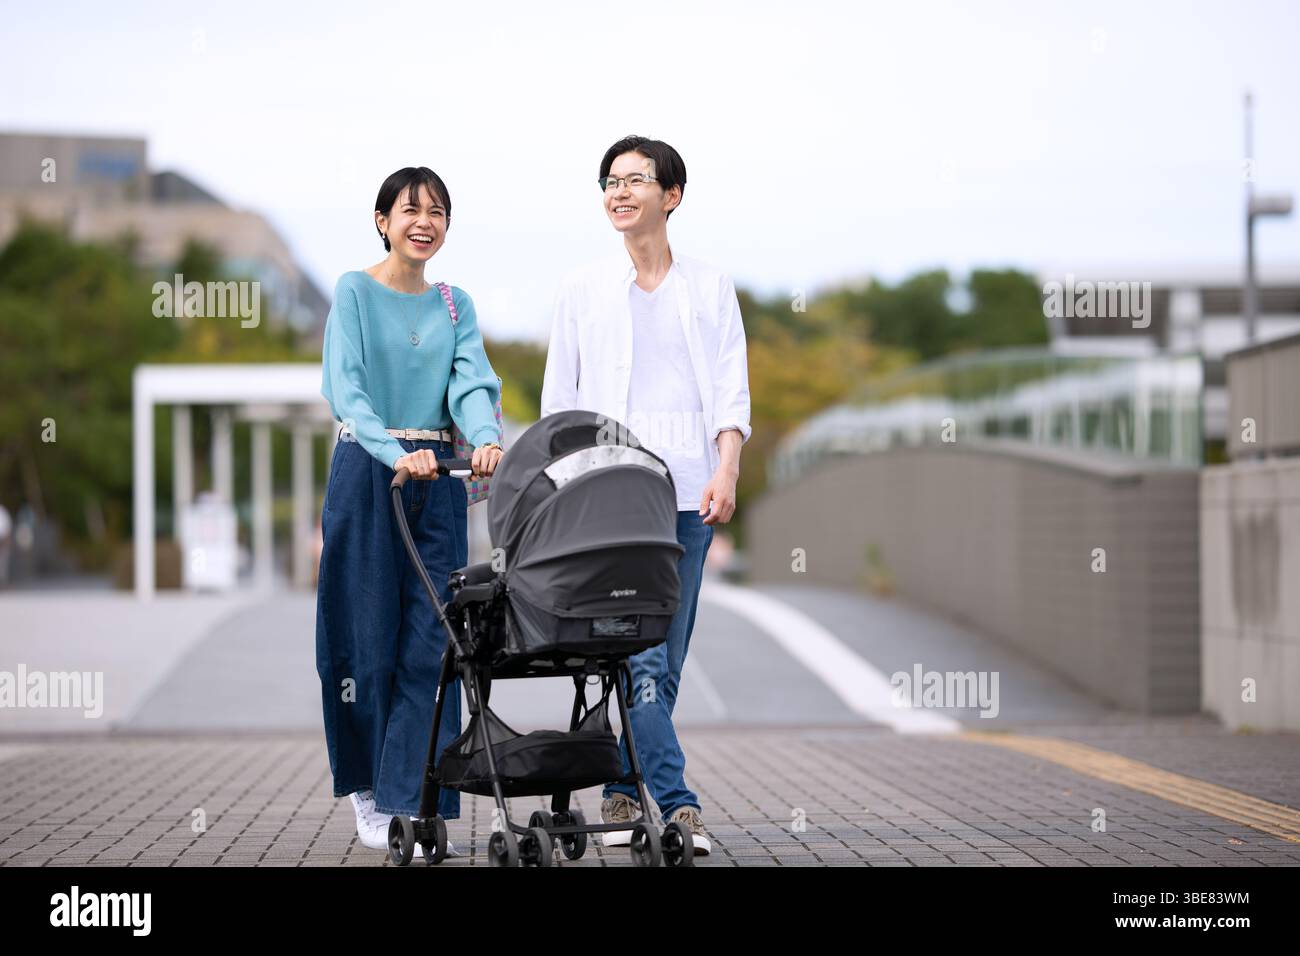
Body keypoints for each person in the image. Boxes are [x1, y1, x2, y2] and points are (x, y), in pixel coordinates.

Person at [540, 135, 752, 856]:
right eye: (610, 181)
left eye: (636, 179)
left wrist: (726, 469)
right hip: (608, 503)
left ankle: (624, 787)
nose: (619, 191)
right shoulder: (581, 290)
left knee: (669, 653)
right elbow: (559, 403)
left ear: (672, 196)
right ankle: (680, 804)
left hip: (688, 498)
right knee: (642, 659)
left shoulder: (710, 286)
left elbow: (730, 388)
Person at [316, 166, 504, 856]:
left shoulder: (455, 304)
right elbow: (347, 386)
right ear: (382, 221)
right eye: (409, 209)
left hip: (439, 481)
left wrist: (483, 437)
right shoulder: (355, 291)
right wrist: (393, 447)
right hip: (371, 472)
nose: (424, 221)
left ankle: (415, 802)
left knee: (435, 644)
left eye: (438, 212)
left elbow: (471, 380)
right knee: (366, 640)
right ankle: (369, 791)